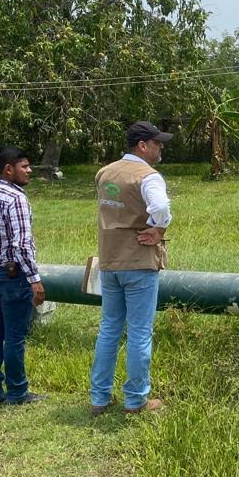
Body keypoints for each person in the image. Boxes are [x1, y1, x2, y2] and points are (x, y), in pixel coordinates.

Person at [89, 121, 173, 414]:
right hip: (138, 262)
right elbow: (160, 208)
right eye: (157, 143)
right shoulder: (149, 177)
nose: (160, 147)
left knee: (109, 329)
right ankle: (136, 400)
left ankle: (99, 398)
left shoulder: (105, 173)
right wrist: (158, 229)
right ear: (143, 145)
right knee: (139, 332)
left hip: (109, 262)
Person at [0, 145, 47, 406]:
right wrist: (35, 279)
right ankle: (17, 392)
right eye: (24, 166)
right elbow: (22, 244)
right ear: (8, 170)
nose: (29, 171)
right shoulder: (15, 199)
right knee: (14, 337)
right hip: (12, 278)